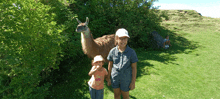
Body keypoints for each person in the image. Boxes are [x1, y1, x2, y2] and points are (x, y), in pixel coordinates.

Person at [107, 28, 138, 99]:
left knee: (125, 96)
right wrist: (108, 78)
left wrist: (133, 82)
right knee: (116, 95)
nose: (123, 41)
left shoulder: (131, 52)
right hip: (115, 77)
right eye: (121, 38)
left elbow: (134, 68)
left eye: (125, 39)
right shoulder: (112, 51)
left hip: (126, 78)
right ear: (116, 39)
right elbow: (110, 65)